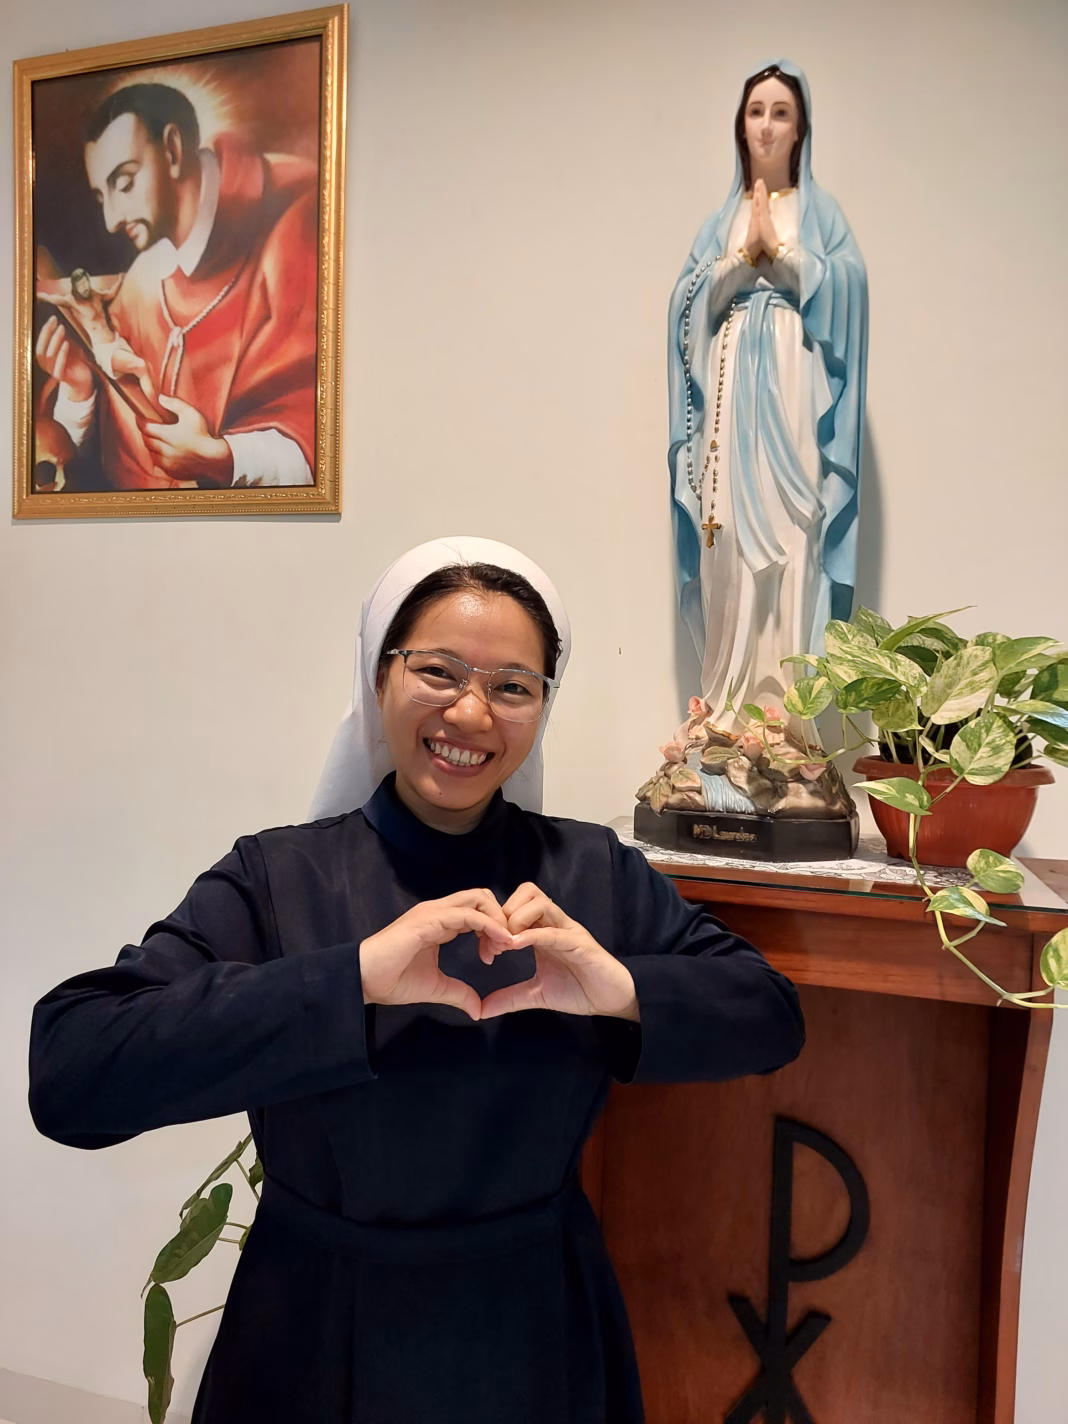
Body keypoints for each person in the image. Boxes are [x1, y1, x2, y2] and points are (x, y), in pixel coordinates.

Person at [29, 536, 805, 1424]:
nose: (471, 713)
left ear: (543, 705)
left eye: (513, 686)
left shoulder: (591, 874)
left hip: (535, 1329)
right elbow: (72, 1069)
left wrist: (618, 988)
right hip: (311, 1330)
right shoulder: (278, 879)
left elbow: (770, 1014)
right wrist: (351, 979)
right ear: (379, 676)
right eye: (438, 671)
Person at [668, 61, 868, 724]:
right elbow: (683, 307)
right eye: (756, 111)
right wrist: (738, 258)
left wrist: (781, 255)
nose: (767, 125)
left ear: (801, 127)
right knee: (723, 541)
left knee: (794, 535)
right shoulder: (720, 220)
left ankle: (789, 722)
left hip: (793, 388)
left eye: (781, 112)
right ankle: (725, 712)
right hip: (729, 398)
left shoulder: (820, 213)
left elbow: (850, 291)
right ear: (740, 124)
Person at [34, 82, 318, 491]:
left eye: (124, 183)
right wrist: (81, 389)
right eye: (101, 197)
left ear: (171, 150)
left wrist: (223, 458)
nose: (112, 221)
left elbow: (321, 435)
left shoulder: (297, 217)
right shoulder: (143, 279)